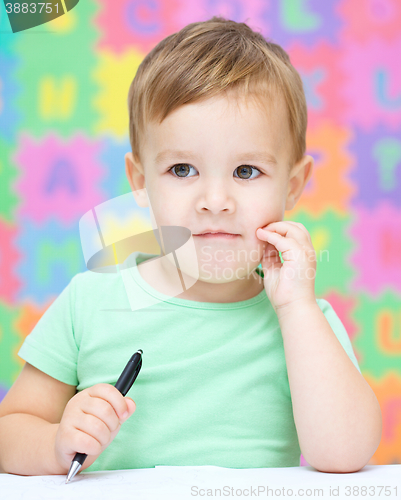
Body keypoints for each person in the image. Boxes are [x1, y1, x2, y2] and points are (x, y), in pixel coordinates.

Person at [0, 16, 381, 476]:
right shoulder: (89, 302)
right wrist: (54, 445)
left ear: (293, 185)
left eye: (246, 172)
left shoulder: (304, 324)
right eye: (182, 170)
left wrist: (297, 309)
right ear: (140, 183)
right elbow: (10, 432)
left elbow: (345, 456)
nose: (215, 202)